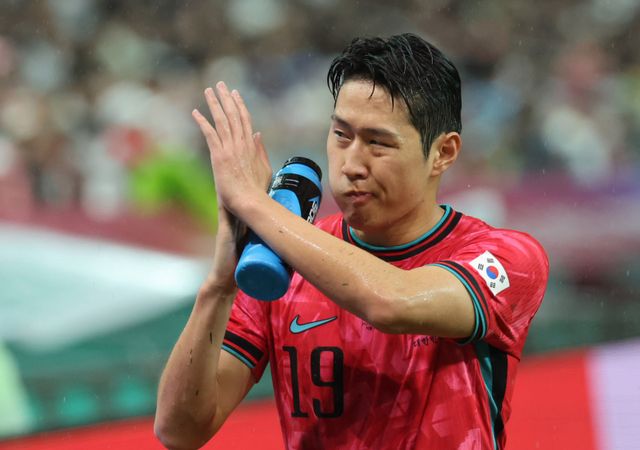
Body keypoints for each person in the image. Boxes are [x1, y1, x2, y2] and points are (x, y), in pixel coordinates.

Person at [154, 33, 549, 450]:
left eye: (378, 142)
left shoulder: (510, 259)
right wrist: (219, 285)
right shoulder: (282, 261)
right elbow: (180, 431)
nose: (351, 164)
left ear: (443, 153)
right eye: (342, 135)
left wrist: (253, 204)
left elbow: (392, 303)